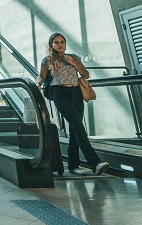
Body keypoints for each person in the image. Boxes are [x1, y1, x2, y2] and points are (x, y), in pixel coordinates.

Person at [36, 32, 109, 176]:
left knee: (75, 129)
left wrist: (74, 63)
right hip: (60, 94)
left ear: (65, 43)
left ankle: (73, 166)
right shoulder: (47, 60)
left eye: (62, 41)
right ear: (51, 45)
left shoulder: (74, 57)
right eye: (56, 42)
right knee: (78, 126)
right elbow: (42, 76)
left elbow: (86, 75)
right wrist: (38, 83)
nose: (59, 44)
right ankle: (95, 163)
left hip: (76, 94)